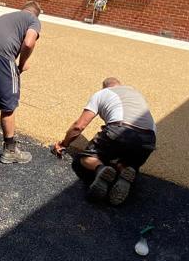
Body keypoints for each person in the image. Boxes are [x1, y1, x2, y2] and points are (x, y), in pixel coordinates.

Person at [52, 77, 156, 205]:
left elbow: (79, 126)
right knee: (122, 159)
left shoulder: (102, 94)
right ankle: (124, 170)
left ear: (104, 87)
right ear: (120, 85)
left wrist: (63, 144)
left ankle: (101, 169)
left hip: (120, 130)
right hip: (148, 140)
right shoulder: (134, 92)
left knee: (85, 158)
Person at [0, 1, 41, 164]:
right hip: (2, 56)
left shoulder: (8, 15)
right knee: (8, 105)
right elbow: (29, 42)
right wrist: (22, 63)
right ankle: (10, 150)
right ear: (36, 13)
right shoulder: (33, 20)